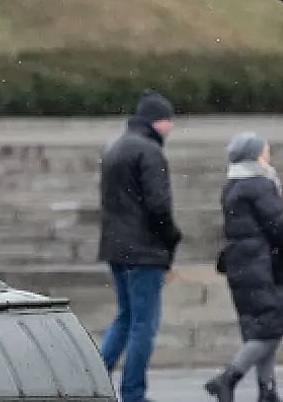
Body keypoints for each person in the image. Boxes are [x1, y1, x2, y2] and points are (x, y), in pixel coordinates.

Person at [205, 132, 283, 402]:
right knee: (269, 330)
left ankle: (267, 391)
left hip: (245, 264)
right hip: (263, 265)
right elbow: (277, 225)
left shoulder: (234, 184)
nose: (269, 153)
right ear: (255, 154)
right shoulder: (259, 184)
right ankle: (227, 379)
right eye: (265, 150)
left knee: (267, 327)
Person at [97, 89, 182, 402]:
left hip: (115, 247)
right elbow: (159, 207)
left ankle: (91, 380)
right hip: (143, 251)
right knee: (143, 325)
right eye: (168, 121)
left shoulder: (115, 146)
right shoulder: (149, 152)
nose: (171, 127)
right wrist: (172, 238)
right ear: (157, 123)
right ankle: (133, 394)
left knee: (125, 318)